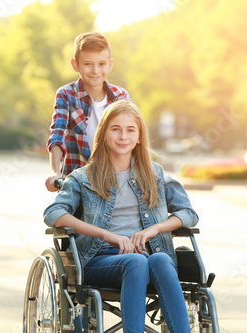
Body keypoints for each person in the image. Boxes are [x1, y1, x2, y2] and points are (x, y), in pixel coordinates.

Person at [44, 100, 197, 333]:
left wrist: (154, 229)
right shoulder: (83, 177)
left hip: (150, 255)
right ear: (103, 133)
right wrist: (107, 235)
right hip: (99, 260)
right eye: (115, 129)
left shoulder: (155, 174)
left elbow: (188, 214)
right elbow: (53, 213)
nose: (123, 136)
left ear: (139, 137)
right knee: (135, 262)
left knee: (162, 259)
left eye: (130, 130)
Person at [45, 31, 130, 192]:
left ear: (110, 64)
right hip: (77, 182)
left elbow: (130, 138)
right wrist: (55, 172)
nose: (95, 71)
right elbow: (58, 134)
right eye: (88, 64)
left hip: (114, 182)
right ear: (75, 64)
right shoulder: (66, 94)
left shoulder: (121, 96)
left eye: (102, 64)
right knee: (59, 216)